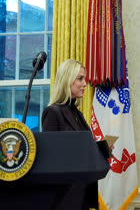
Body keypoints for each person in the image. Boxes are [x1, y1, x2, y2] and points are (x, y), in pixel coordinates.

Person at [41, 59, 98, 210]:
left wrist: (101, 150)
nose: (85, 83)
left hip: (83, 191)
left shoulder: (77, 113)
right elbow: (49, 159)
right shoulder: (53, 112)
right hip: (64, 196)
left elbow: (83, 146)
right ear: (67, 80)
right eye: (80, 78)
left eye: (84, 78)